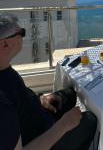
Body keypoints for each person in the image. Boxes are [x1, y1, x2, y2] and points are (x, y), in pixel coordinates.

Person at [0, 13, 97, 149]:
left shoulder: (4, 69)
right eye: (21, 33)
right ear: (5, 44)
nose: (23, 36)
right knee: (91, 120)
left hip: (38, 115)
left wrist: (40, 99)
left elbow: (19, 97)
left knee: (71, 93)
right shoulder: (3, 107)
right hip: (42, 139)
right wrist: (63, 126)